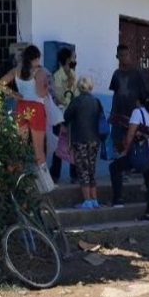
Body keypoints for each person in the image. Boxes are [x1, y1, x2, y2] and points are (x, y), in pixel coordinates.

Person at [0, 45, 52, 189]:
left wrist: (13, 94)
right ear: (36, 58)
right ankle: (45, 186)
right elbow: (41, 93)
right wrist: (47, 87)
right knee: (38, 150)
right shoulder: (39, 72)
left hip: (21, 107)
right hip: (36, 108)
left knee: (20, 147)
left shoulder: (17, 70)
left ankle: (17, 183)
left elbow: (0, 84)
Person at [108, 45, 149, 206]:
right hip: (119, 118)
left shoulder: (138, 73)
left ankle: (148, 189)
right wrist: (112, 114)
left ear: (130, 55)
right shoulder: (116, 74)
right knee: (119, 149)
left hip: (134, 120)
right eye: (120, 55)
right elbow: (115, 95)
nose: (124, 58)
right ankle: (119, 191)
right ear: (117, 56)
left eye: (126, 55)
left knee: (136, 150)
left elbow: (146, 95)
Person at [120, 96, 149, 220]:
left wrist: (125, 150)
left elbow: (130, 133)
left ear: (139, 102)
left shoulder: (137, 112)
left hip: (144, 153)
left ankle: (117, 199)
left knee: (115, 168)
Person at [64, 76, 103, 209]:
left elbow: (66, 117)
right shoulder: (96, 101)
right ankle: (94, 199)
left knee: (83, 170)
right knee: (91, 169)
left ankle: (87, 201)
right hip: (95, 140)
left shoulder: (76, 101)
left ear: (79, 87)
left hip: (80, 139)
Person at [51, 47, 78, 183]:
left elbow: (77, 95)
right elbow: (59, 98)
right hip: (60, 116)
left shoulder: (73, 74)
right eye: (73, 57)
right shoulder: (57, 76)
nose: (75, 59)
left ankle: (75, 175)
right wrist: (68, 87)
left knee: (74, 144)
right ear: (67, 60)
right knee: (59, 145)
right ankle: (55, 175)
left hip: (73, 115)